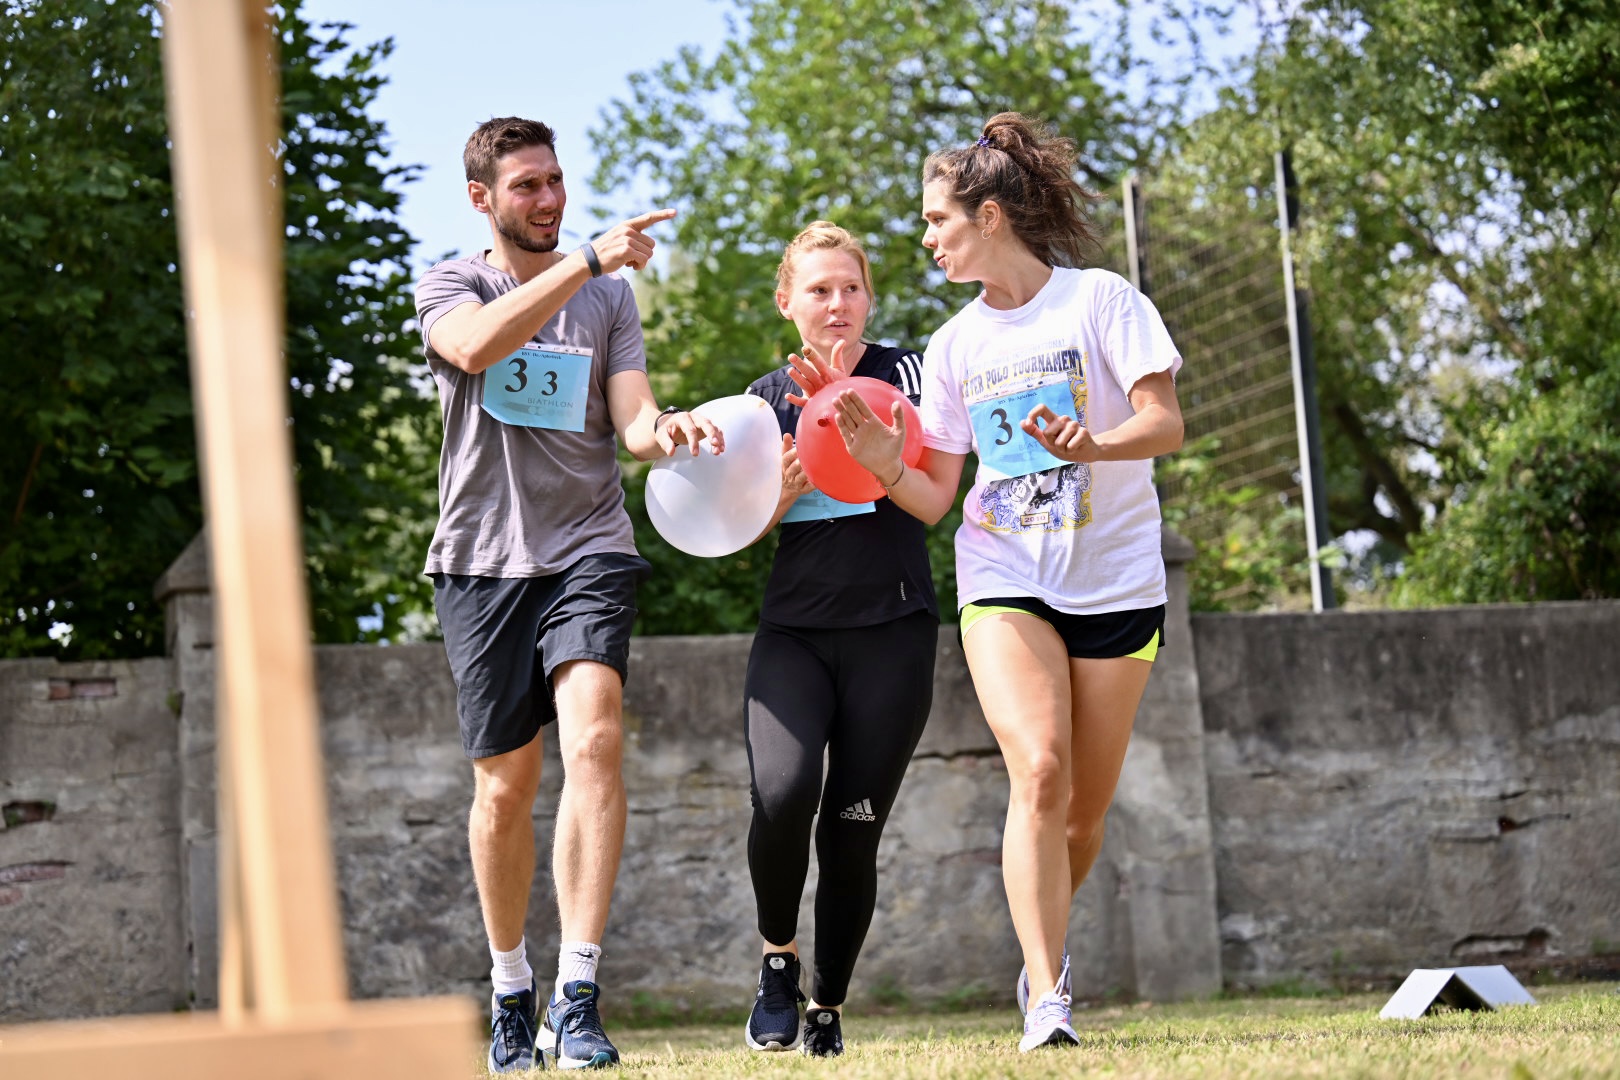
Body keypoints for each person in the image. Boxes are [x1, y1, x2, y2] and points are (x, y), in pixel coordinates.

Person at [792, 113, 1184, 1053]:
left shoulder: (1102, 301)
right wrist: (888, 461)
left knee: (1081, 815)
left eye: (939, 220)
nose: (927, 238)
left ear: (992, 216)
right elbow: (934, 498)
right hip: (1004, 575)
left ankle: (1035, 950)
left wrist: (1097, 443)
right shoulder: (956, 343)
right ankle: (1048, 996)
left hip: (1117, 579)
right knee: (1038, 767)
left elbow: (1164, 423)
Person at [413, 116, 721, 1073]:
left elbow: (628, 419)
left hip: (588, 545)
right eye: (526, 187)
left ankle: (576, 997)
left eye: (555, 181)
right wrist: (584, 259)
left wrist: (665, 432)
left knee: (594, 738)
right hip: (481, 561)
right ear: (483, 199)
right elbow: (472, 349)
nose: (548, 200)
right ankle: (512, 991)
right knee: (505, 788)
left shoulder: (609, 301)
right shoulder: (453, 284)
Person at [737, 222, 939, 1058]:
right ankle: (777, 962)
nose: (837, 304)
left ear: (869, 299)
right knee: (783, 797)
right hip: (795, 637)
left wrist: (885, 459)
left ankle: (827, 1003)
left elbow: (933, 502)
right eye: (819, 289)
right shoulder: (763, 397)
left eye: (850, 287)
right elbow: (732, 533)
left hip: (893, 633)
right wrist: (776, 494)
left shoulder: (910, 375)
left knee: (853, 826)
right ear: (788, 303)